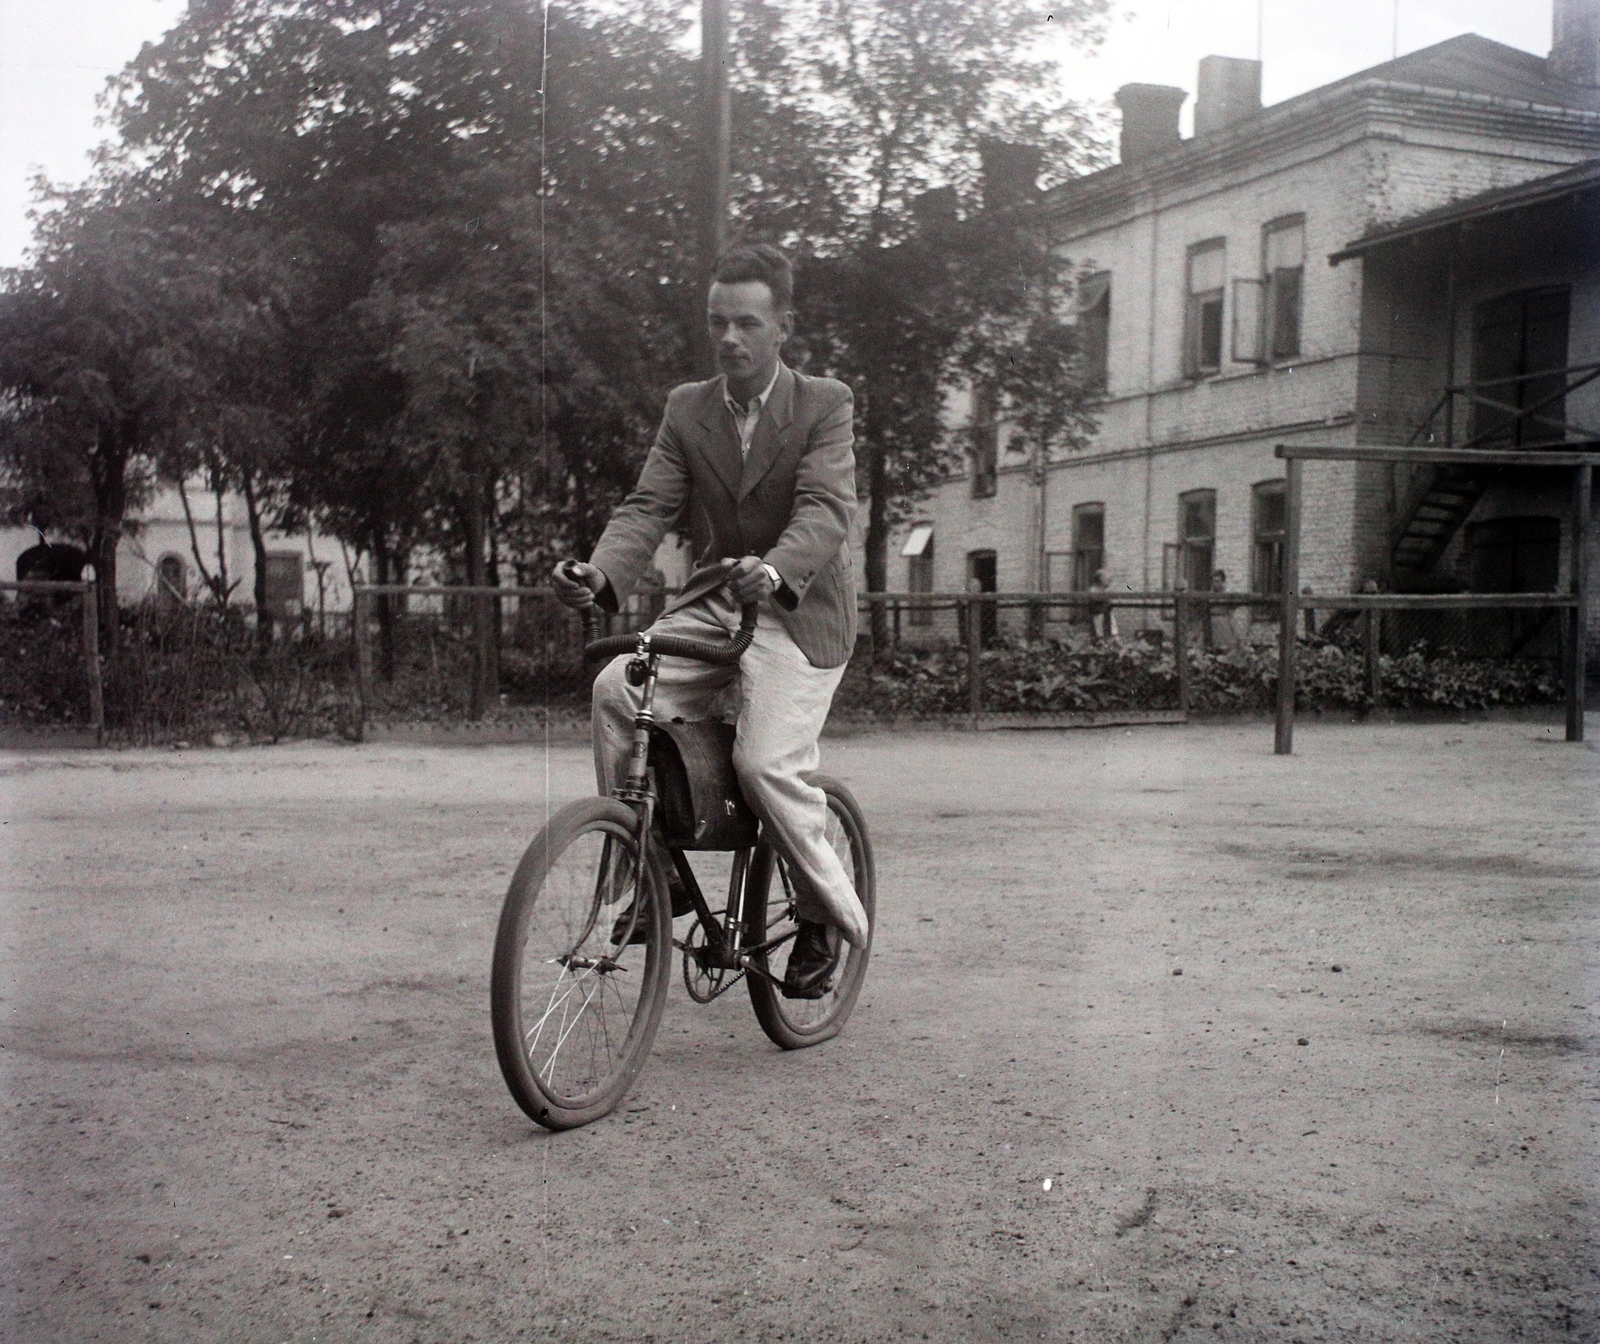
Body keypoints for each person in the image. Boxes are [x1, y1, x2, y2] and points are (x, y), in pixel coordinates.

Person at [551, 243, 866, 999]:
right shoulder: (687, 408)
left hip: (798, 610)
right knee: (616, 692)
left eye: (747, 323)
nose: (729, 338)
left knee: (764, 766)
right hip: (719, 602)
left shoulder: (824, 403)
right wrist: (600, 573)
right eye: (717, 322)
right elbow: (648, 505)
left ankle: (827, 915)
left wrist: (779, 567)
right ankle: (655, 874)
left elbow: (826, 510)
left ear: (782, 327)